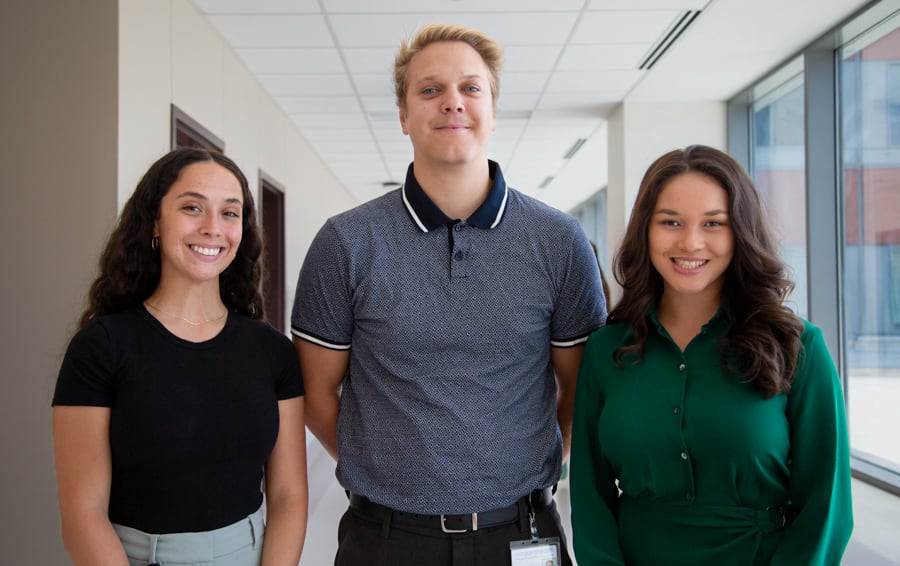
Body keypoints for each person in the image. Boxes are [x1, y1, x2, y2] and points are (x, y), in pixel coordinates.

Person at [291, 23, 606, 566]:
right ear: (403, 114)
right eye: (430, 89)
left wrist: (521, 467)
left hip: (522, 532)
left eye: (470, 88)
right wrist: (385, 471)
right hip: (385, 538)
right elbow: (315, 392)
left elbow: (581, 388)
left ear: (493, 109)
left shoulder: (559, 241)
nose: (452, 102)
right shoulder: (346, 242)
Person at [570, 145, 853, 565]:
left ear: (741, 232)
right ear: (645, 230)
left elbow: (827, 507)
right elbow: (589, 497)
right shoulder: (605, 350)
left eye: (713, 223)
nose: (691, 242)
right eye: (671, 222)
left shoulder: (798, 346)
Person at [52, 148, 308, 565]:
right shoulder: (100, 347)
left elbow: (288, 495)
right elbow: (83, 513)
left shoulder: (272, 351)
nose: (213, 228)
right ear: (155, 220)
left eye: (229, 213)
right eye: (192, 207)